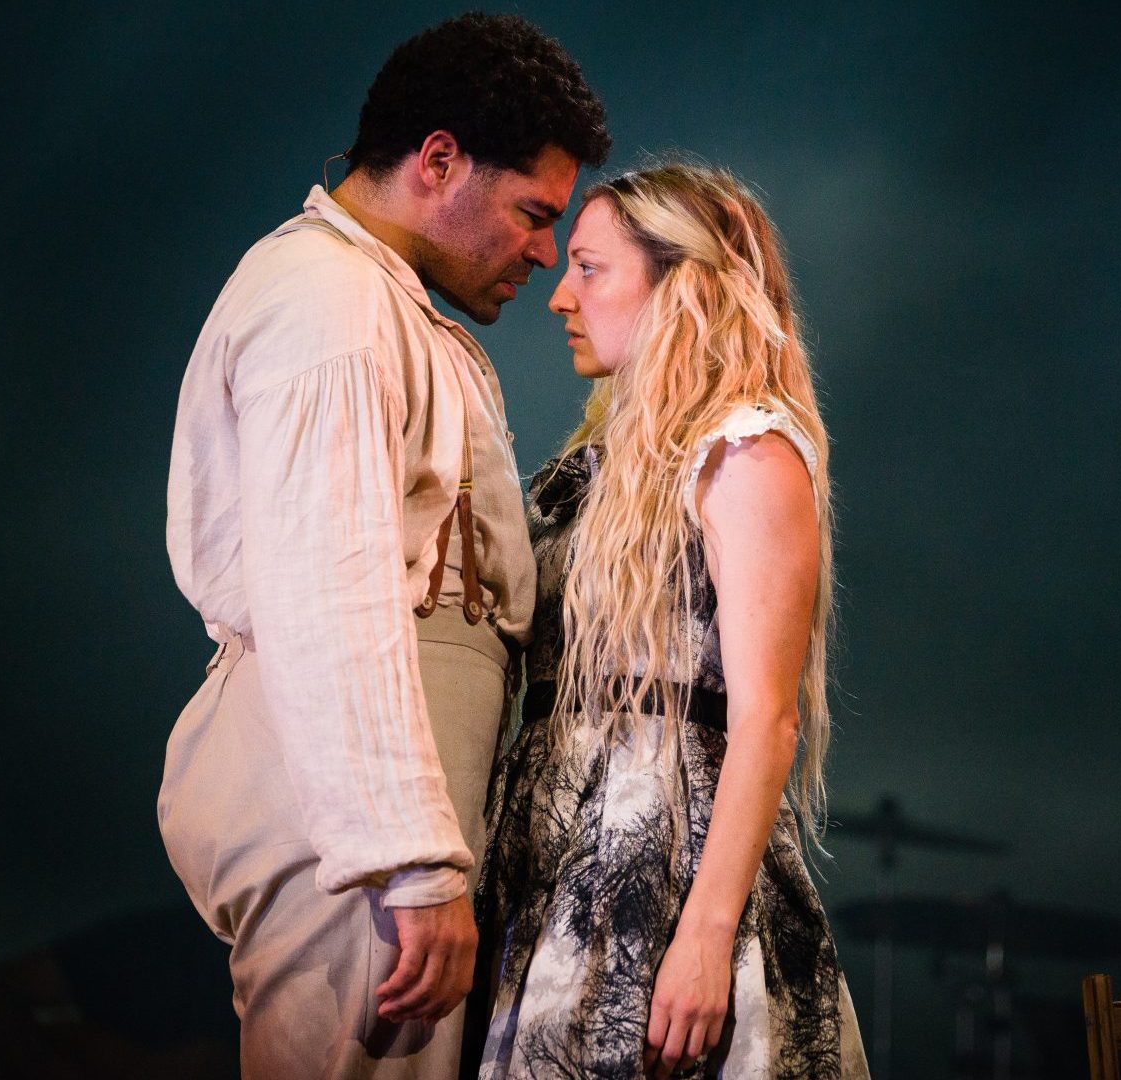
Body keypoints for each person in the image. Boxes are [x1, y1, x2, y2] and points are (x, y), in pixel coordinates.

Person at [157, 14, 609, 1078]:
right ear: (438, 160)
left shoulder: (384, 305)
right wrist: (406, 864)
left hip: (368, 793)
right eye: (533, 214)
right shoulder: (334, 303)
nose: (546, 252)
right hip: (346, 808)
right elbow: (329, 586)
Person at [467, 164, 869, 1079]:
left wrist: (704, 936)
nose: (561, 296)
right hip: (552, 864)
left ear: (675, 283)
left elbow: (768, 718)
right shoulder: (605, 467)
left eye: (591, 268)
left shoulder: (747, 452)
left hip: (665, 865)